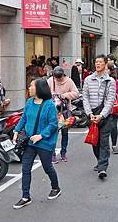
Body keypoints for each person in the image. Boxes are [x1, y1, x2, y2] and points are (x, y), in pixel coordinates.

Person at [12, 79, 61, 209]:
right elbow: (24, 118)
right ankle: (25, 196)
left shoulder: (49, 105)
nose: (29, 87)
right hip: (30, 142)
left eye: (31, 86)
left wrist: (40, 135)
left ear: (39, 88)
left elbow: (53, 124)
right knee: (25, 168)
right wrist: (16, 131)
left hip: (44, 143)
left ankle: (55, 188)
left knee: (47, 167)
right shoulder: (29, 102)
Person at [82, 55, 116, 179]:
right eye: (96, 62)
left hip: (105, 117)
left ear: (105, 64)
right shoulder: (88, 80)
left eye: (100, 62)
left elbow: (110, 100)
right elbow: (85, 97)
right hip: (91, 115)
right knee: (94, 142)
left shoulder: (110, 81)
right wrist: (89, 113)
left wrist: (102, 115)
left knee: (104, 142)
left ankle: (102, 167)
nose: (97, 64)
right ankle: (99, 160)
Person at [47, 66, 79, 163]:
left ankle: (63, 152)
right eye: (56, 78)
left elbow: (76, 93)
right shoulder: (50, 81)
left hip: (65, 111)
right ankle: (52, 154)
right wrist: (52, 95)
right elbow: (44, 93)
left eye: (59, 78)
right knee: (53, 133)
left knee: (65, 133)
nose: (58, 80)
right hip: (53, 112)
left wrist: (65, 95)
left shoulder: (69, 81)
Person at [108, 65, 118, 154]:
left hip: (113, 106)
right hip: (102, 107)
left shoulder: (115, 81)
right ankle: (105, 146)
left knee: (113, 126)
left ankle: (114, 145)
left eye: (107, 69)